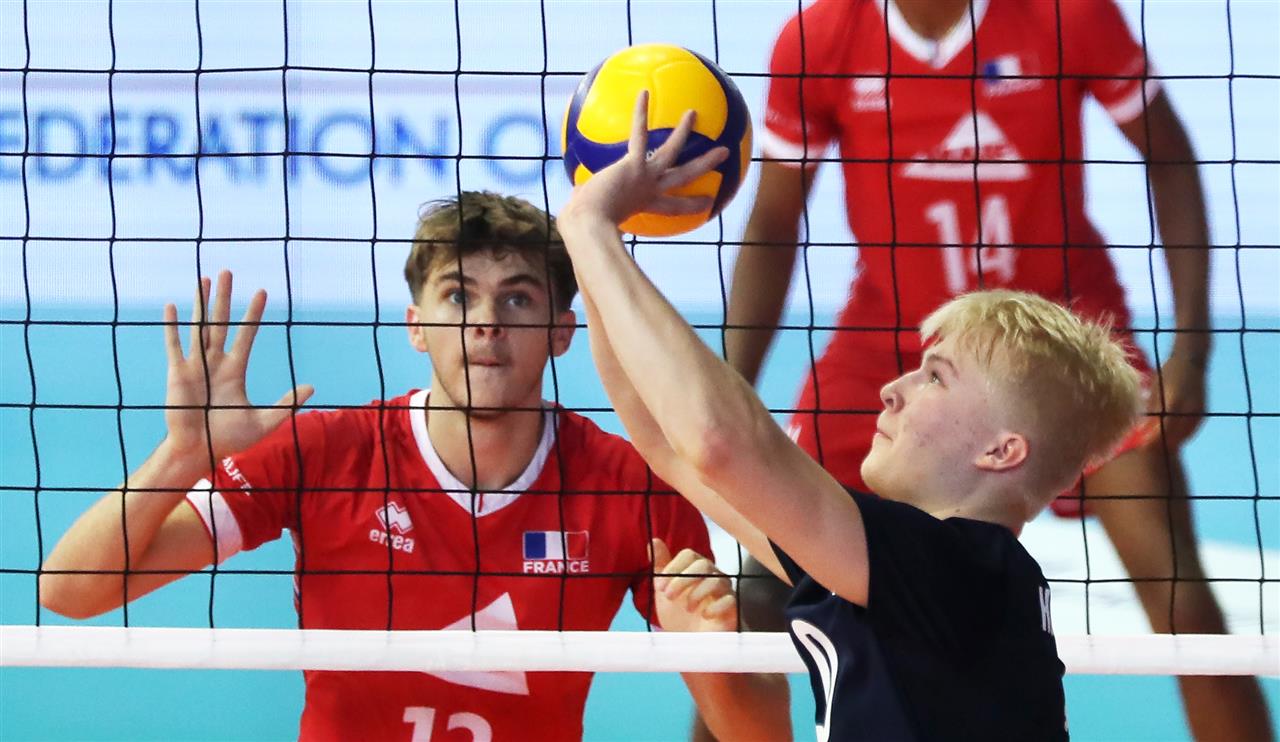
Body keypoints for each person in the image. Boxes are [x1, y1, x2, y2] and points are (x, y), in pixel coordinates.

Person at [38, 192, 790, 742]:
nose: (486, 323)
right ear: (416, 326)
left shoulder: (629, 486)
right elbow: (69, 590)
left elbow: (760, 736)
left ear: (562, 332)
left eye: (517, 300)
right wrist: (181, 456)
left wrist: (711, 658)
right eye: (458, 297)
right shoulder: (328, 451)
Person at [726, 0, 1272, 738]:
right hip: (896, 342)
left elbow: (1170, 157)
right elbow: (772, 218)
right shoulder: (819, 37)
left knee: (1179, 596)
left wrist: (1193, 350)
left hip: (1063, 347)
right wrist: (735, 384)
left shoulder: (1067, 15)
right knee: (756, 595)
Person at [556, 96, 1146, 739]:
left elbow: (719, 443)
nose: (892, 390)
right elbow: (666, 443)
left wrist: (590, 227)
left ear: (1002, 451)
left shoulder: (962, 570)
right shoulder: (902, 571)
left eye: (936, 377)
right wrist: (597, 249)